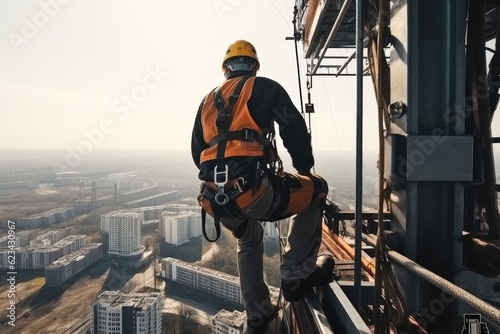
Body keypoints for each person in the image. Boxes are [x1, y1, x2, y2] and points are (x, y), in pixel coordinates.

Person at [191, 40, 334, 333]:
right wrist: (305, 171)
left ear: (225, 69)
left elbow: (197, 153)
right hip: (253, 192)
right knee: (317, 190)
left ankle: (258, 314)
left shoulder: (207, 101)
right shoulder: (265, 87)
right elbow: (293, 130)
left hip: (214, 199)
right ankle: (296, 272)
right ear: (254, 66)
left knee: (249, 237)